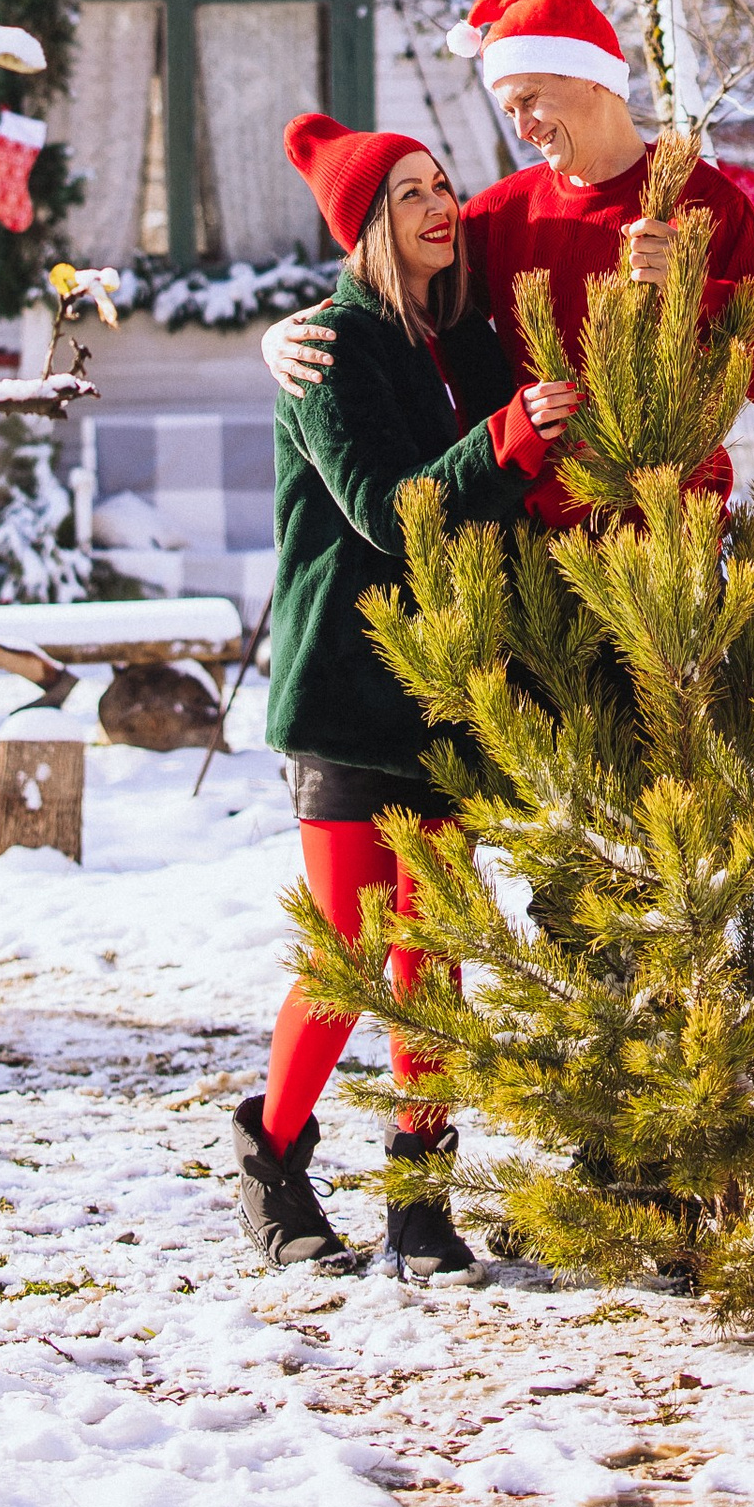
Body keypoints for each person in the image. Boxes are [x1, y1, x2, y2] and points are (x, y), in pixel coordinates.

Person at [230, 108, 578, 1282]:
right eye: (409, 194)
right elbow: (391, 512)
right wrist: (508, 443)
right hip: (346, 688)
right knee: (350, 947)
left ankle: (419, 1204)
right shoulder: (330, 348)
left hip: (450, 686)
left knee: (433, 950)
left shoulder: (466, 342)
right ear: (367, 224)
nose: (439, 206)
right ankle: (271, 1158)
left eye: (441, 184)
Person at [262, 0, 754, 527]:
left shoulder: (704, 202)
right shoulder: (501, 214)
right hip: (532, 568)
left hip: (671, 562)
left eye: (530, 99)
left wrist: (695, 294)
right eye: (509, 111)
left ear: (591, 76)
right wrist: (284, 336)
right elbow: (397, 295)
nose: (522, 128)